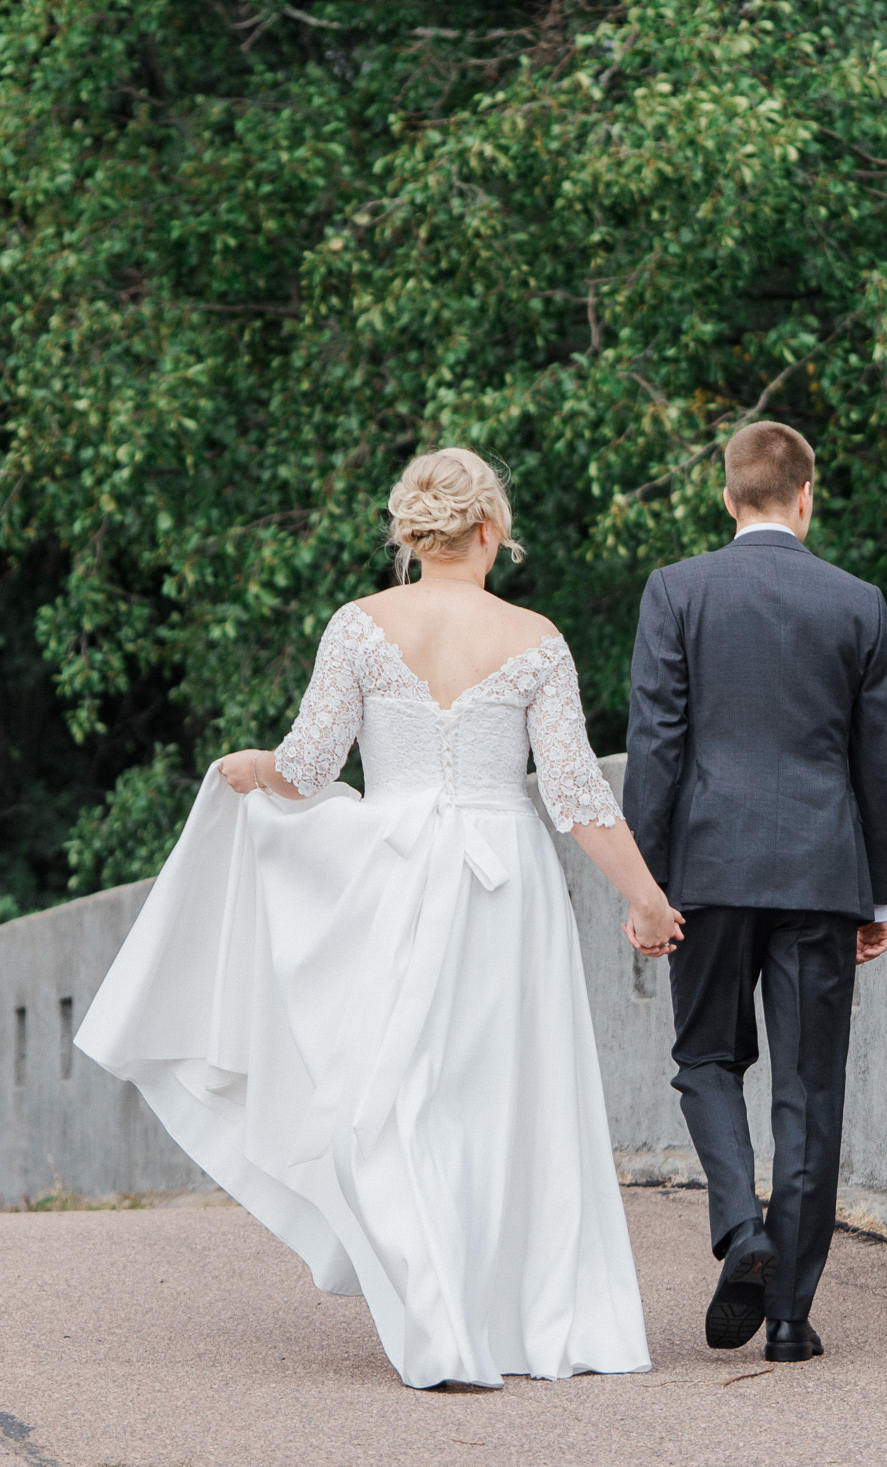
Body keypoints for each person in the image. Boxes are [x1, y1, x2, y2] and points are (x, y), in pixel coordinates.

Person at [75, 448, 680, 1389]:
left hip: (392, 872)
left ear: (408, 536)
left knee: (395, 1093)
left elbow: (309, 767)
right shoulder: (535, 638)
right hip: (503, 884)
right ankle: (520, 1316)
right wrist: (643, 894)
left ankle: (438, 1318)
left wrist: (254, 764)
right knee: (507, 1097)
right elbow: (574, 793)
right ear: (491, 532)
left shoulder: (358, 627)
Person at [623, 420, 887, 1365]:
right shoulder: (857, 602)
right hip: (823, 875)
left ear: (728, 496)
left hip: (705, 872)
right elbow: (880, 761)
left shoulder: (677, 591)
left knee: (706, 1057)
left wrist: (648, 882)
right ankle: (788, 1316)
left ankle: (741, 1226)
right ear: (805, 496)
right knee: (809, 1090)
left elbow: (659, 746)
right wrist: (878, 893)